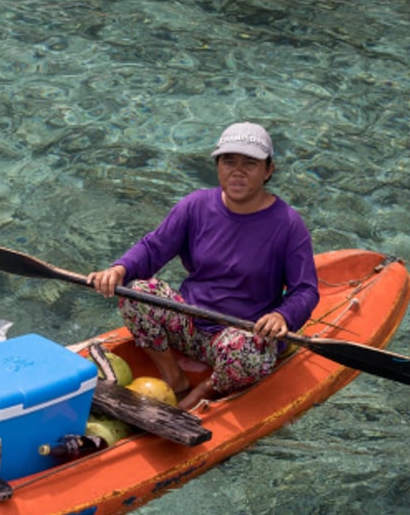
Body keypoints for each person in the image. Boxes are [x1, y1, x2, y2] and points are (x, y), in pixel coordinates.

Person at [86, 122, 319, 409]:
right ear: (218, 166)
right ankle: (174, 378)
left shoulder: (288, 224)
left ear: (268, 170)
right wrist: (118, 270)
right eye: (228, 161)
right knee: (135, 291)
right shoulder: (196, 205)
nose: (237, 171)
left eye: (250, 163)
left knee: (250, 352)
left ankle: (204, 392)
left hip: (239, 336)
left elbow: (305, 289)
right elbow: (153, 248)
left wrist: (282, 317)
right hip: (188, 322)